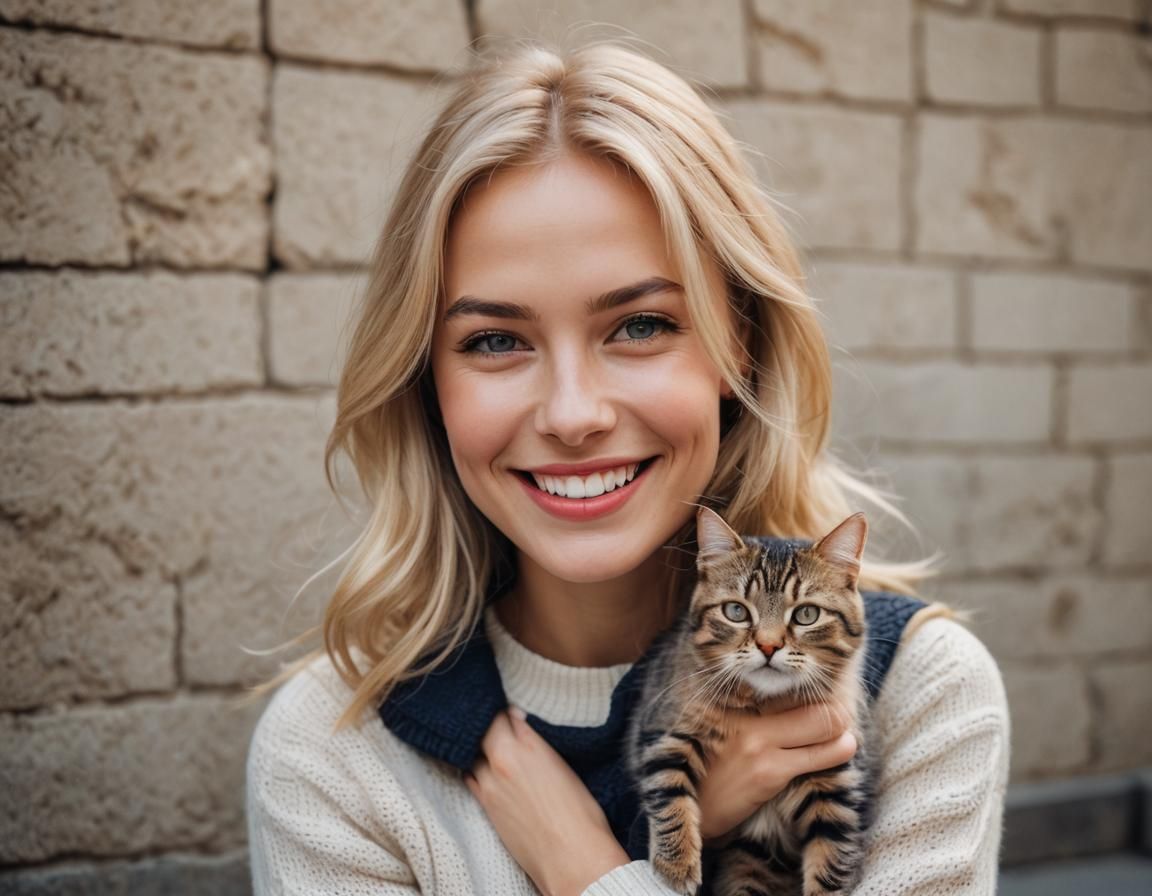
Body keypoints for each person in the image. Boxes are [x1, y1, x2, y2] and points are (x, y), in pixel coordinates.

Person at [245, 40, 1009, 896]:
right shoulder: (331, 754)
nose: (573, 414)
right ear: (427, 381)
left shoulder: (919, 697)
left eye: (640, 326)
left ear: (739, 346)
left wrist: (587, 868)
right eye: (494, 340)